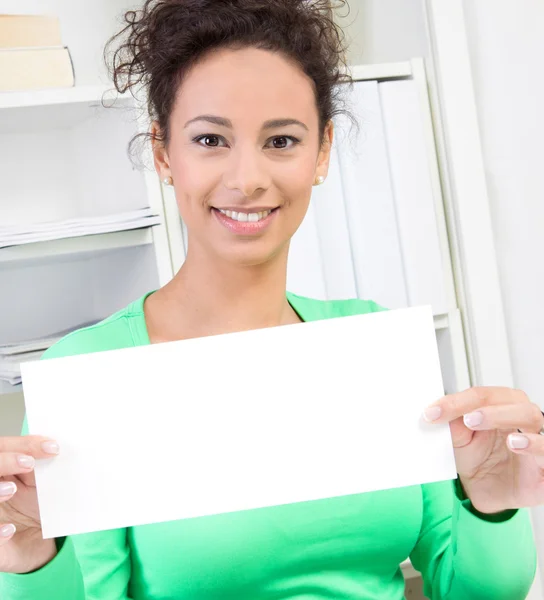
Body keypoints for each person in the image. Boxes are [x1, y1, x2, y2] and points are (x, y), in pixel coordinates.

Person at [0, 0, 541, 598]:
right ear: (162, 153)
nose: (248, 177)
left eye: (281, 140)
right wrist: (31, 559)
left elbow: (475, 589)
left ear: (322, 152)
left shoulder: (370, 346)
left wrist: (490, 506)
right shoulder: (90, 373)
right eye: (210, 139)